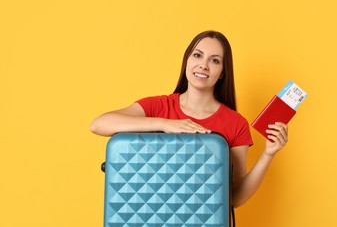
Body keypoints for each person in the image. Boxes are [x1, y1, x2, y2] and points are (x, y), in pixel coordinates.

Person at [90, 30, 288, 208]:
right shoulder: (157, 107)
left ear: (222, 73)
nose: (203, 65)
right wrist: (165, 124)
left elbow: (234, 198)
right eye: (197, 55)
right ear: (187, 60)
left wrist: (268, 154)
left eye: (215, 60)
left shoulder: (235, 123)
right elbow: (99, 124)